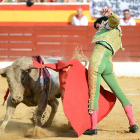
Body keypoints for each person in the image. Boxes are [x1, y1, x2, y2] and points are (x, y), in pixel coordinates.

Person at [83, 8, 139, 135]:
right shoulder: (116, 31)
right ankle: (133, 124)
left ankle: (93, 128)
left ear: (105, 22)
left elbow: (115, 20)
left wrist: (110, 15)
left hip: (97, 61)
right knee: (120, 93)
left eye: (99, 26)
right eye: (97, 28)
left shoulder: (109, 25)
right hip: (108, 63)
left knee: (93, 95)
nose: (99, 29)